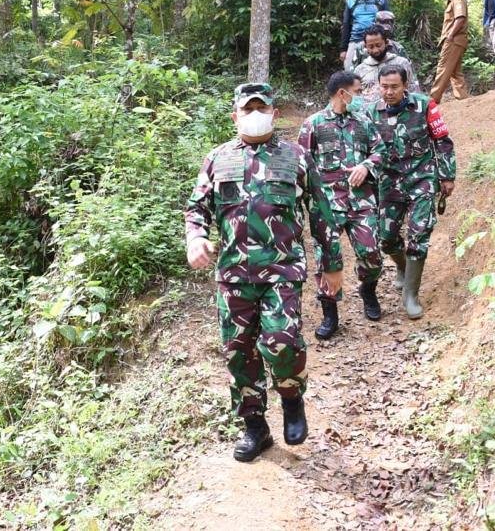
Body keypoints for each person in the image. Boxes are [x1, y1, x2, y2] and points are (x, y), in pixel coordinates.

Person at [185, 82, 344, 462]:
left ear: (274, 112)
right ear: (234, 115)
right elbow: (196, 210)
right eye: (247, 108)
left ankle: (291, 397)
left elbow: (320, 212)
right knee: (239, 354)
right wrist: (196, 239)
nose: (255, 114)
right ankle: (255, 427)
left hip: (282, 271)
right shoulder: (218, 158)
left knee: (283, 342)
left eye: (262, 107)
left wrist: (332, 264)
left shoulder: (296, 158)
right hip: (234, 276)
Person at [298, 71, 387, 334]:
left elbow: (380, 151)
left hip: (361, 202)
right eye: (357, 92)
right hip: (327, 205)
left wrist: (366, 166)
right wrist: (309, 202)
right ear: (342, 93)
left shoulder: (363, 121)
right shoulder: (313, 124)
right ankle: (330, 313)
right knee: (327, 259)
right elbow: (302, 163)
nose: (360, 97)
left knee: (372, 254)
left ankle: (368, 290)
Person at [367, 65, 456, 319]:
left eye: (394, 86)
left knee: (419, 232)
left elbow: (442, 141)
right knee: (387, 237)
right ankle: (404, 268)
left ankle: (411, 294)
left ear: (405, 85)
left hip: (422, 177)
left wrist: (447, 175)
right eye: (384, 86)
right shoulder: (371, 113)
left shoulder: (424, 105)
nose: (389, 92)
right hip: (389, 181)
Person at [354, 25, 419, 104]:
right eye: (371, 47)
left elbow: (413, 90)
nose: (375, 50)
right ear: (365, 46)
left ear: (386, 43)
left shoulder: (402, 63)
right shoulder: (359, 70)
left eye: (378, 45)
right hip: (369, 114)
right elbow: (356, 97)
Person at [339, 0, 390, 68]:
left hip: (376, 42)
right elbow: (346, 25)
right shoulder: (351, 1)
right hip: (355, 40)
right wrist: (343, 49)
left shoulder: (381, 0)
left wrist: (388, 43)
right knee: (350, 72)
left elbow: (387, 24)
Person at [430, 0, 469, 103]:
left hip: (454, 40)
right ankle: (462, 98)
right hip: (456, 40)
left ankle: (432, 100)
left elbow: (460, 18)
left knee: (443, 68)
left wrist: (450, 35)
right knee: (455, 71)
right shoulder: (452, 1)